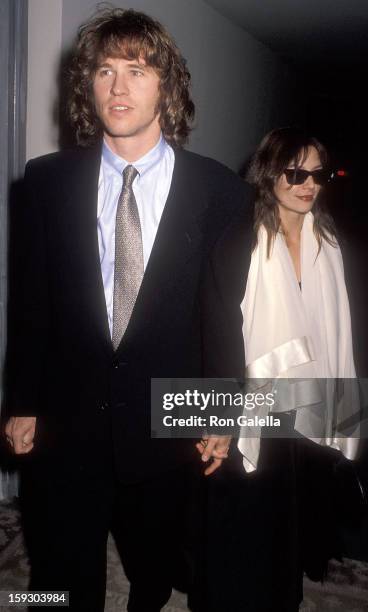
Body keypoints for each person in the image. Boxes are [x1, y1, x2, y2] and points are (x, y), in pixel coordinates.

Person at [3, 7, 252, 611]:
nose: (118, 87)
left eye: (137, 70)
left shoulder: (220, 192)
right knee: (59, 573)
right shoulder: (46, 181)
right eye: (105, 70)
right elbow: (31, 302)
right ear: (87, 85)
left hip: (167, 419)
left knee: (155, 562)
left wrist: (222, 412)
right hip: (68, 414)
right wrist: (21, 402)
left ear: (168, 85)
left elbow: (222, 314)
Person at [199, 127, 359, 612]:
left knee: (290, 518)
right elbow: (219, 329)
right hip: (255, 395)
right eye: (295, 173)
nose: (308, 184)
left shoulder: (325, 239)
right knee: (242, 516)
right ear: (270, 174)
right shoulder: (242, 236)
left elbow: (336, 326)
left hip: (305, 399)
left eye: (318, 174)